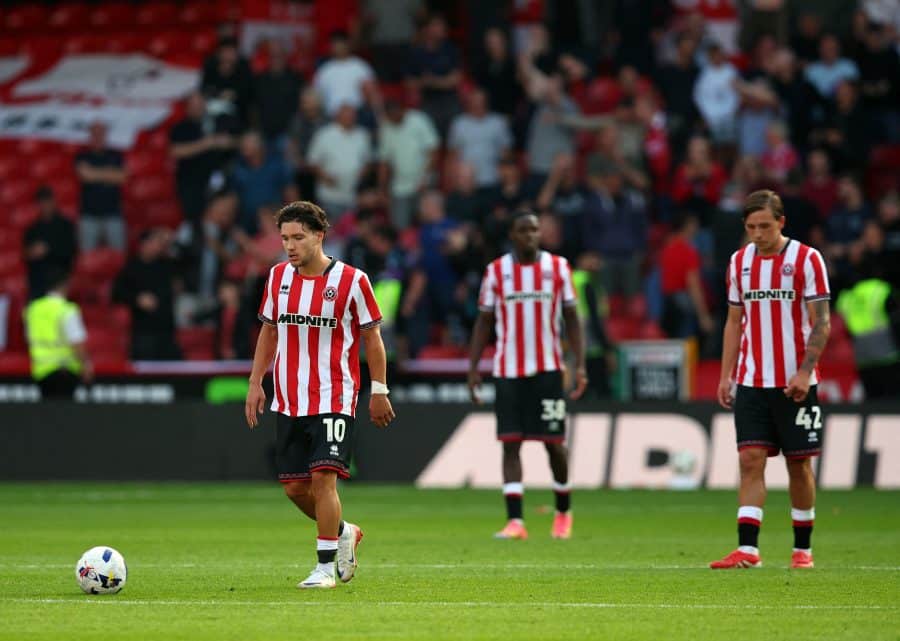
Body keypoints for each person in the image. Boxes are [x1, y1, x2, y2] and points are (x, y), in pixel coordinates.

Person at [244, 201, 395, 589]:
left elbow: (372, 337)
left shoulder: (352, 281)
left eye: (298, 237)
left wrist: (379, 389)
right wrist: (255, 382)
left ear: (319, 235)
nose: (290, 246)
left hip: (335, 395)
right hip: (290, 397)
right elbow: (269, 330)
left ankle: (325, 566)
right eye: (284, 239)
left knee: (324, 479)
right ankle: (343, 532)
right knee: (295, 488)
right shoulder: (278, 277)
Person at [713, 190, 831, 570]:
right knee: (750, 460)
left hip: (795, 383)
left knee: (799, 466)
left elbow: (822, 322)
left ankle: (803, 549)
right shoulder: (739, 262)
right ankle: (748, 550)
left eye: (765, 226)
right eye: (751, 227)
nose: (758, 234)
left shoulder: (807, 259)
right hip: (751, 380)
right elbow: (734, 322)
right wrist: (725, 375)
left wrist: (804, 371)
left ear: (781, 222)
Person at [467, 208, 587, 541]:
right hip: (508, 371)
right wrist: (474, 367)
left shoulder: (558, 268)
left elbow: (573, 319)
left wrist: (580, 365)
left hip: (548, 370)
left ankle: (563, 512)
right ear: (512, 236)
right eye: (524, 231)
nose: (531, 236)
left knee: (554, 445)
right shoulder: (497, 271)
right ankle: (515, 521)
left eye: (535, 230)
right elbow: (484, 322)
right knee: (510, 444)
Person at [24, 267, 92, 399]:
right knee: (64, 415)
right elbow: (76, 342)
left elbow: (28, 337)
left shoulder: (32, 309)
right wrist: (86, 365)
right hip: (65, 371)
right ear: (65, 285)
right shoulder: (67, 310)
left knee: (47, 413)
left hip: (41, 371)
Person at [74, 121, 127, 251]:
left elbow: (122, 177)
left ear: (105, 135)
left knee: (118, 255)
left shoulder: (116, 155)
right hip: (89, 215)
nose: (98, 137)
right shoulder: (82, 156)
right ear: (90, 136)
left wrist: (95, 173)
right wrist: (109, 173)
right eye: (95, 134)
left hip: (113, 214)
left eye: (101, 133)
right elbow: (86, 175)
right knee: (86, 257)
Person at [23, 186, 77, 300]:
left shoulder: (65, 226)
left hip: (59, 279)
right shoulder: (33, 229)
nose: (45, 205)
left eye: (47, 201)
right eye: (42, 202)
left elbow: (71, 251)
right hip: (38, 281)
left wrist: (47, 249)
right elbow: (25, 254)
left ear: (53, 201)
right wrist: (32, 252)